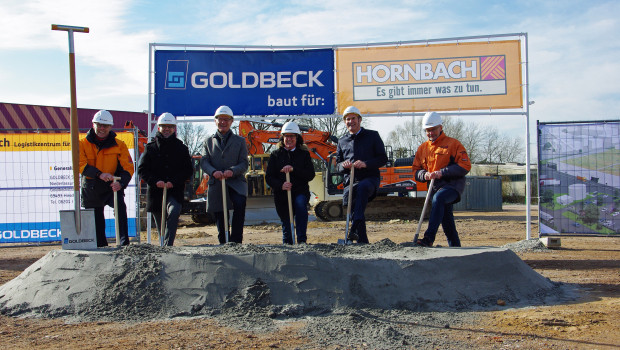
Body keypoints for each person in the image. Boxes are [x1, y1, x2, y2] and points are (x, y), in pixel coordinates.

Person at [412, 112, 471, 247]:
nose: (430, 133)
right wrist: (424, 175)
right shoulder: (423, 148)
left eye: (433, 129)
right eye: (428, 130)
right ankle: (456, 247)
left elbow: (465, 165)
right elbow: (415, 170)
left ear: (440, 127)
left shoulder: (453, 144)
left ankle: (428, 238)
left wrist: (442, 173)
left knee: (439, 198)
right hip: (433, 187)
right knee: (447, 221)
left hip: (452, 186)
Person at [79, 110, 134, 247]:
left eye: (105, 125)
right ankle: (101, 248)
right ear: (93, 124)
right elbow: (79, 165)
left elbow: (128, 167)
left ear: (110, 127)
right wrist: (99, 174)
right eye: (99, 125)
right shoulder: (82, 143)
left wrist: (121, 183)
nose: (102, 128)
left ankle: (123, 244)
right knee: (97, 220)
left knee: (120, 209)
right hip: (91, 187)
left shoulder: (119, 144)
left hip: (112, 186)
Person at [137, 112, 193, 246]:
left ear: (174, 128)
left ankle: (168, 246)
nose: (166, 129)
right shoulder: (150, 148)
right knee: (160, 222)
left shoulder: (181, 148)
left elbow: (188, 170)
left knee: (174, 212)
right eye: (163, 126)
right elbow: (142, 169)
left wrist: (174, 181)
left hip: (174, 191)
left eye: (170, 126)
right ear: (158, 128)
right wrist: (155, 181)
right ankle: (163, 245)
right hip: (156, 193)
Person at [336, 106, 388, 243]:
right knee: (354, 207)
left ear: (359, 120)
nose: (350, 121)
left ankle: (353, 228)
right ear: (344, 122)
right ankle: (362, 241)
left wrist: (366, 163)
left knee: (362, 188)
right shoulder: (342, 142)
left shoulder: (373, 136)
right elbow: (337, 165)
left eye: (353, 118)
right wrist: (343, 165)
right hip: (351, 181)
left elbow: (383, 158)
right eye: (348, 119)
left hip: (370, 179)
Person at [201, 105, 248, 244]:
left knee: (240, 203)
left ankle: (236, 241)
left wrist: (232, 171)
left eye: (226, 119)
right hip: (216, 183)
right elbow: (204, 161)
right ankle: (223, 242)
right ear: (215, 121)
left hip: (236, 182)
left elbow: (244, 163)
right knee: (220, 213)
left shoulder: (240, 141)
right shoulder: (208, 141)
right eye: (220, 119)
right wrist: (213, 172)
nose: (223, 122)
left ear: (231, 121)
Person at [265, 122, 316, 244]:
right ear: (282, 137)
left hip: (300, 192)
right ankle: (287, 244)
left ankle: (302, 241)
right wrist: (281, 185)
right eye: (286, 136)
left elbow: (310, 174)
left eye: (292, 136)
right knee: (286, 222)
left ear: (297, 138)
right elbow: (269, 177)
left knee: (300, 205)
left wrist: (294, 169)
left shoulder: (304, 154)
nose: (289, 139)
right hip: (282, 195)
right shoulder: (275, 155)